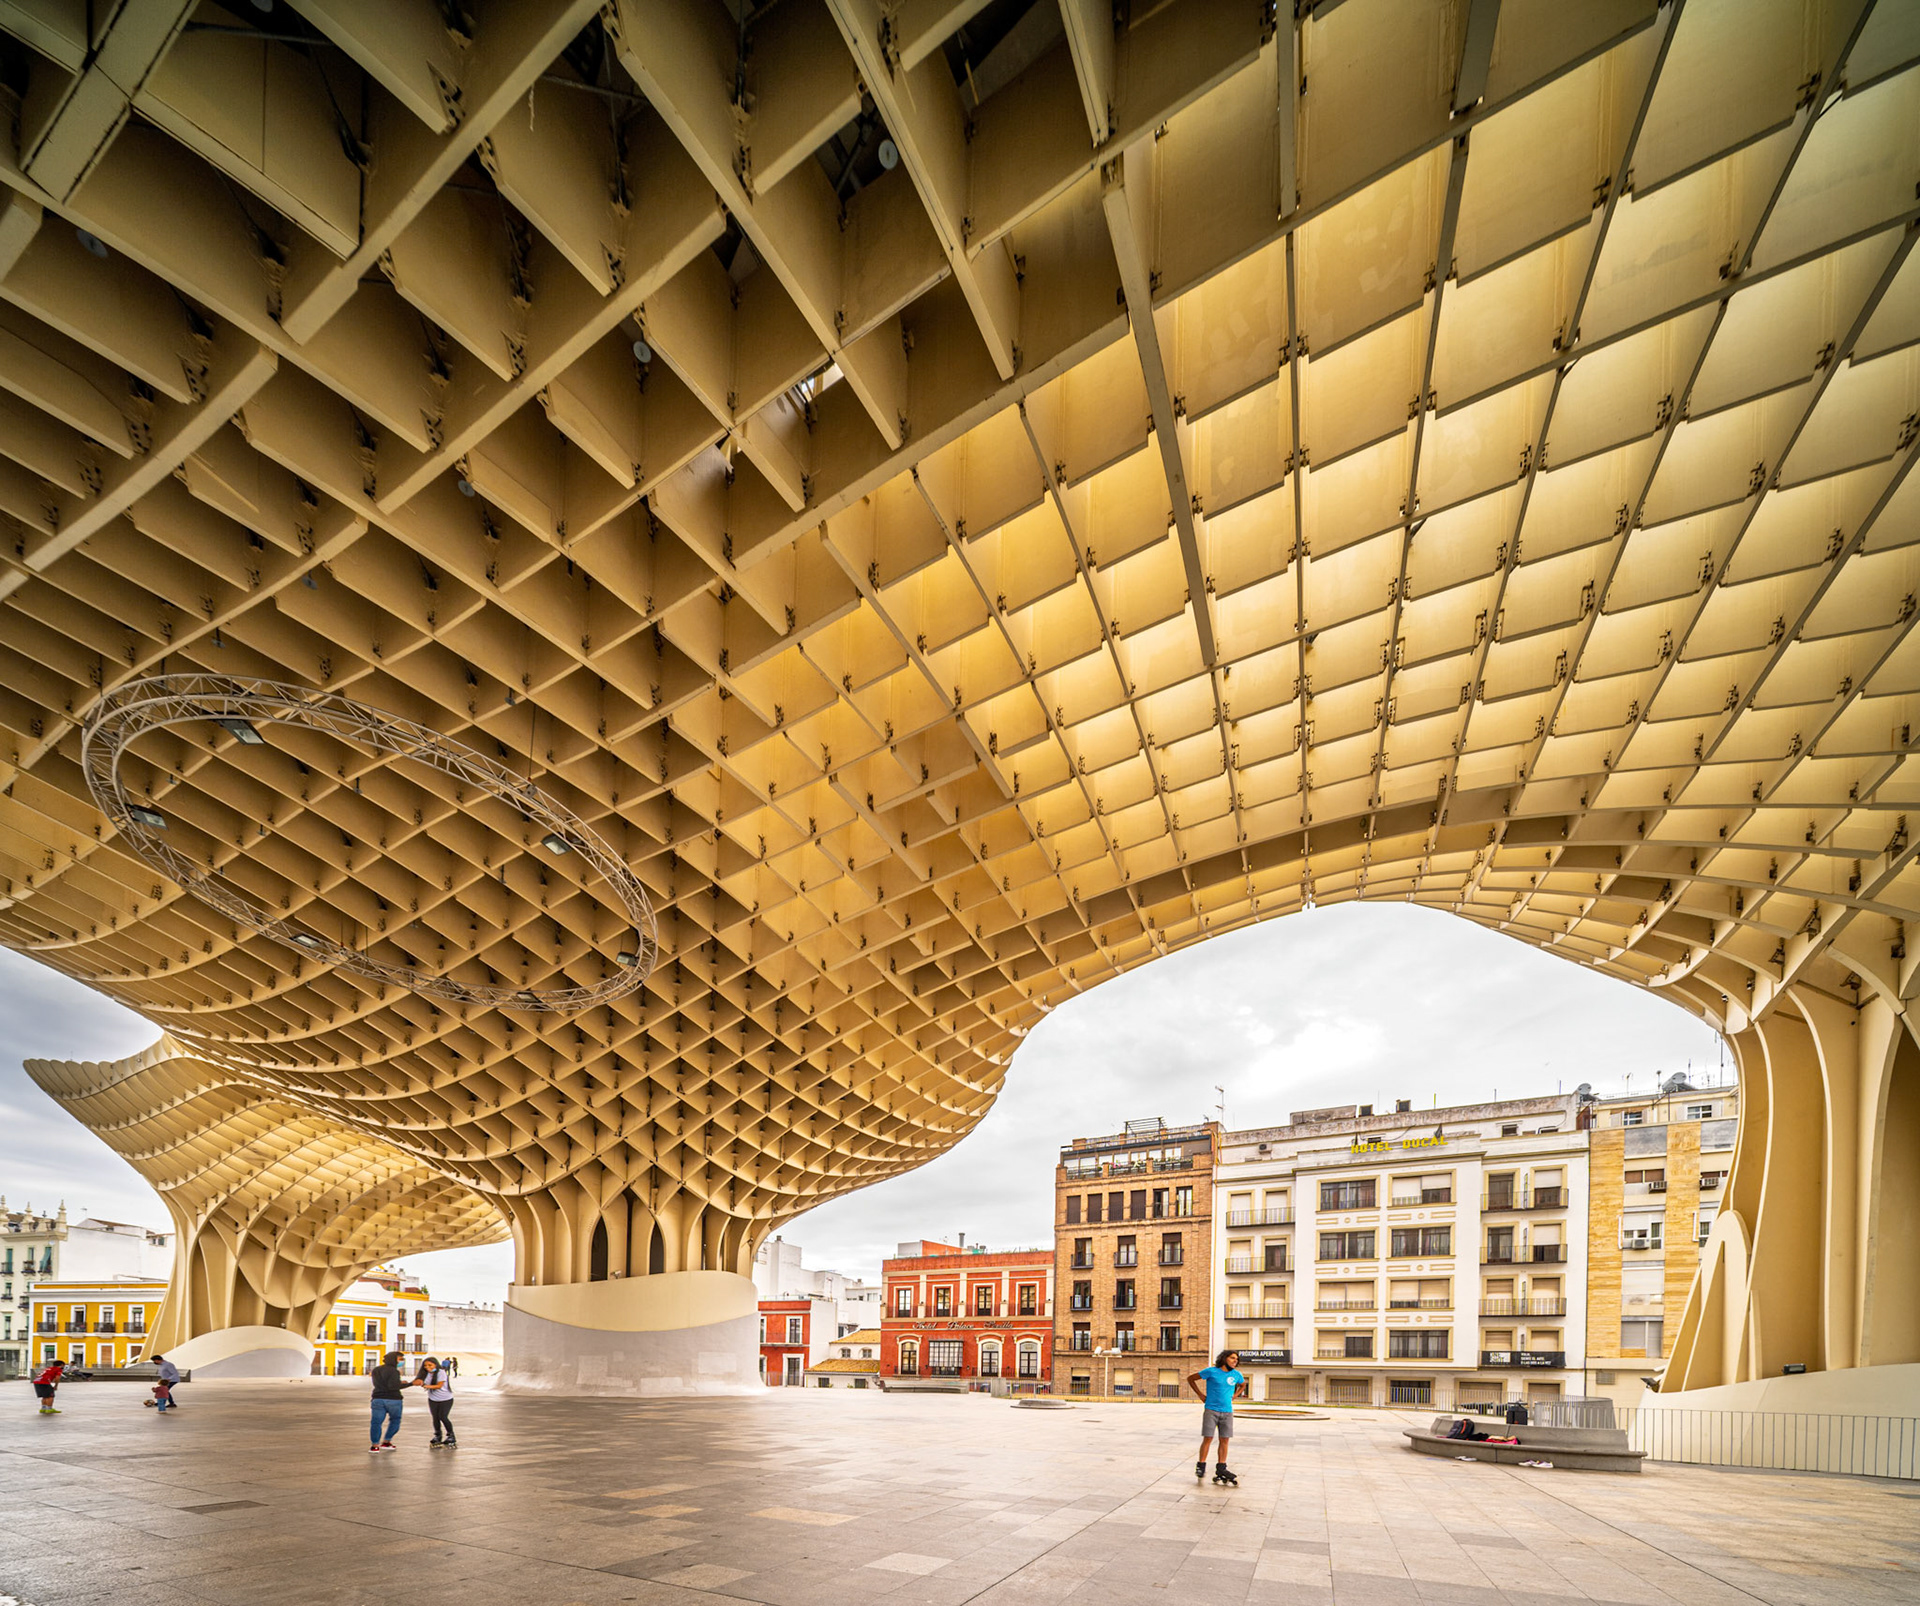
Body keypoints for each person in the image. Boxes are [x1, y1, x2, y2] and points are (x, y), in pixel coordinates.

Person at [1185, 1348, 1246, 1485]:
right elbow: (1191, 1379)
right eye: (1232, 1358)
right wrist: (1200, 1395)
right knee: (1208, 1438)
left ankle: (1221, 1468)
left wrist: (1235, 1395)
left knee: (1225, 1440)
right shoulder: (1211, 1371)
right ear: (1225, 1359)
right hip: (1211, 1410)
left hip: (1227, 1411)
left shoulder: (1236, 1375)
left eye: (1236, 1359)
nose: (1235, 1361)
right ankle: (1201, 1465)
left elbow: (1242, 1384)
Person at [368, 1351, 407, 1452]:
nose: (402, 1361)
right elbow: (393, 1387)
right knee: (395, 1420)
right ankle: (386, 1441)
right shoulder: (394, 1371)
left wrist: (398, 1382)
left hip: (378, 1399)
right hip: (393, 1400)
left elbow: (380, 1383)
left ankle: (375, 1445)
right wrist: (411, 1384)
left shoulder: (376, 1370)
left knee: (376, 1422)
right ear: (393, 1359)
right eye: (400, 1359)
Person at [420, 1355, 457, 1448]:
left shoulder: (441, 1372)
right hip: (433, 1399)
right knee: (435, 1418)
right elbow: (420, 1381)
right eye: (426, 1366)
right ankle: (438, 1435)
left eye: (430, 1365)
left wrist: (426, 1386)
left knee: (443, 1416)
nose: (428, 1368)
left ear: (435, 1365)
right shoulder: (426, 1374)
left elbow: (439, 1385)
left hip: (446, 1399)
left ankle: (451, 1435)